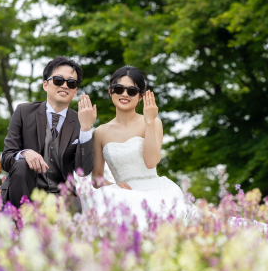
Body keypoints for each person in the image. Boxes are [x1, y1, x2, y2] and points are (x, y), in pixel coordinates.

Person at [78, 65, 193, 223]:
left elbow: (151, 162)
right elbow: (97, 179)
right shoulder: (100, 132)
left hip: (155, 192)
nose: (124, 94)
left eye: (131, 91)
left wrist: (150, 121)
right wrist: (115, 187)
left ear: (141, 96)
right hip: (122, 195)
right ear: (110, 91)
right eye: (119, 89)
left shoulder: (152, 123)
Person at [0, 56, 97, 208]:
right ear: (45, 84)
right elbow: (5, 159)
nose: (65, 86)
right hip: (23, 194)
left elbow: (83, 171)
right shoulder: (23, 112)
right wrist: (25, 153)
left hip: (61, 199)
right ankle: (19, 221)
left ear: (75, 91)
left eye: (71, 83)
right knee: (21, 165)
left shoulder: (82, 121)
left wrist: (86, 129)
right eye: (58, 80)